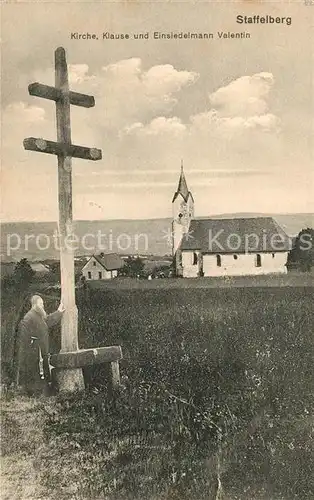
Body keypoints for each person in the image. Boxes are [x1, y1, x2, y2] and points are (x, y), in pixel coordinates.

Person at [16, 295, 65, 395]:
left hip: (39, 348)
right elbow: (23, 334)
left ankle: (41, 392)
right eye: (40, 304)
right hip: (33, 350)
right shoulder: (30, 316)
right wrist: (31, 344)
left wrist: (59, 312)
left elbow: (47, 321)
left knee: (41, 370)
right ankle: (35, 393)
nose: (42, 306)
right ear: (35, 305)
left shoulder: (38, 315)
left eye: (42, 304)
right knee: (35, 371)